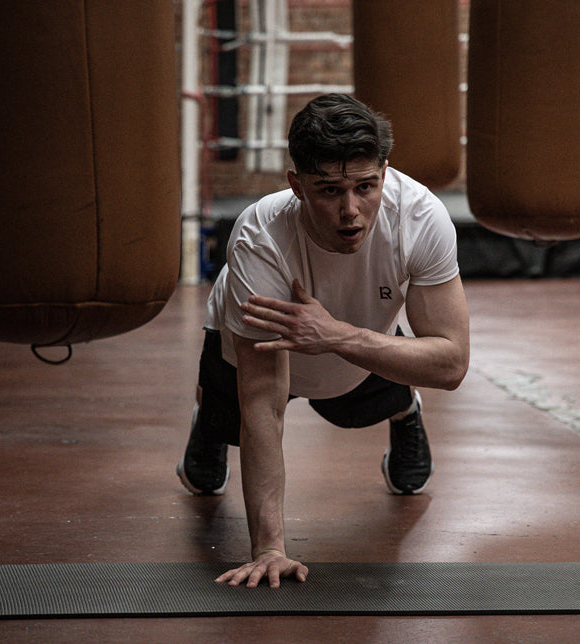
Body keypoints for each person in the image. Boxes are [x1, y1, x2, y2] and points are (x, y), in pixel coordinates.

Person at [176, 94, 469, 588]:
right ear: (297, 185)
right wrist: (269, 549)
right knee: (228, 424)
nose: (350, 210)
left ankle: (403, 409)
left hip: (352, 339)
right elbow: (264, 403)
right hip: (252, 341)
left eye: (365, 186)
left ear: (384, 173)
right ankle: (207, 423)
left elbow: (452, 362)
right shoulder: (260, 238)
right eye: (329, 190)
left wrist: (336, 335)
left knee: (351, 406)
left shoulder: (420, 217)